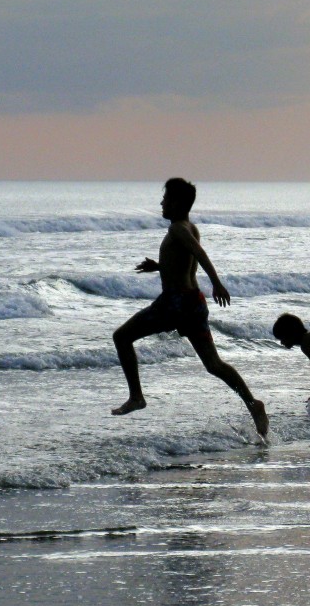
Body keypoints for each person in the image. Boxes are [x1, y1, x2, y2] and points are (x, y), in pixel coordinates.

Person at [111, 178, 269, 442]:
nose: (161, 203)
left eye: (165, 199)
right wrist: (160, 266)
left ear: (176, 203)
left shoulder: (177, 230)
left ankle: (136, 397)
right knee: (214, 364)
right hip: (193, 303)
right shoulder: (190, 227)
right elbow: (184, 263)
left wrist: (217, 283)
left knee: (122, 337)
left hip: (175, 303)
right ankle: (253, 404)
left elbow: (200, 254)